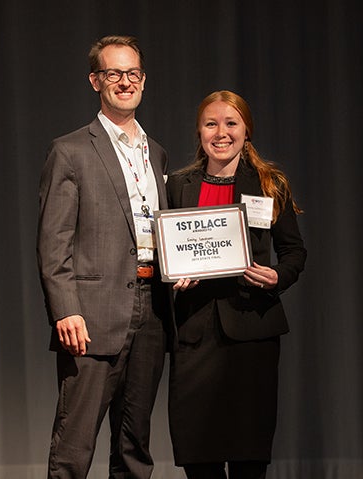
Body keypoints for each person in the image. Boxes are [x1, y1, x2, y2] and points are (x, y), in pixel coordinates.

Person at [37, 35, 173, 479]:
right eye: (114, 73)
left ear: (144, 81)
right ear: (96, 80)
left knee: (135, 447)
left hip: (152, 309)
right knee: (74, 446)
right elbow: (54, 240)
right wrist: (66, 310)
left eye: (132, 73)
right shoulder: (71, 149)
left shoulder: (156, 153)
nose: (125, 82)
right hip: (92, 316)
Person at [166, 90, 307, 479]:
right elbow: (163, 250)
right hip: (194, 333)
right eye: (211, 123)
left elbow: (295, 253)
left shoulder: (268, 183)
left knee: (248, 455)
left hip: (252, 331)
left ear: (247, 130)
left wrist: (278, 275)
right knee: (199, 453)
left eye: (231, 123)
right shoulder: (177, 185)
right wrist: (172, 273)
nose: (221, 132)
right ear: (199, 131)